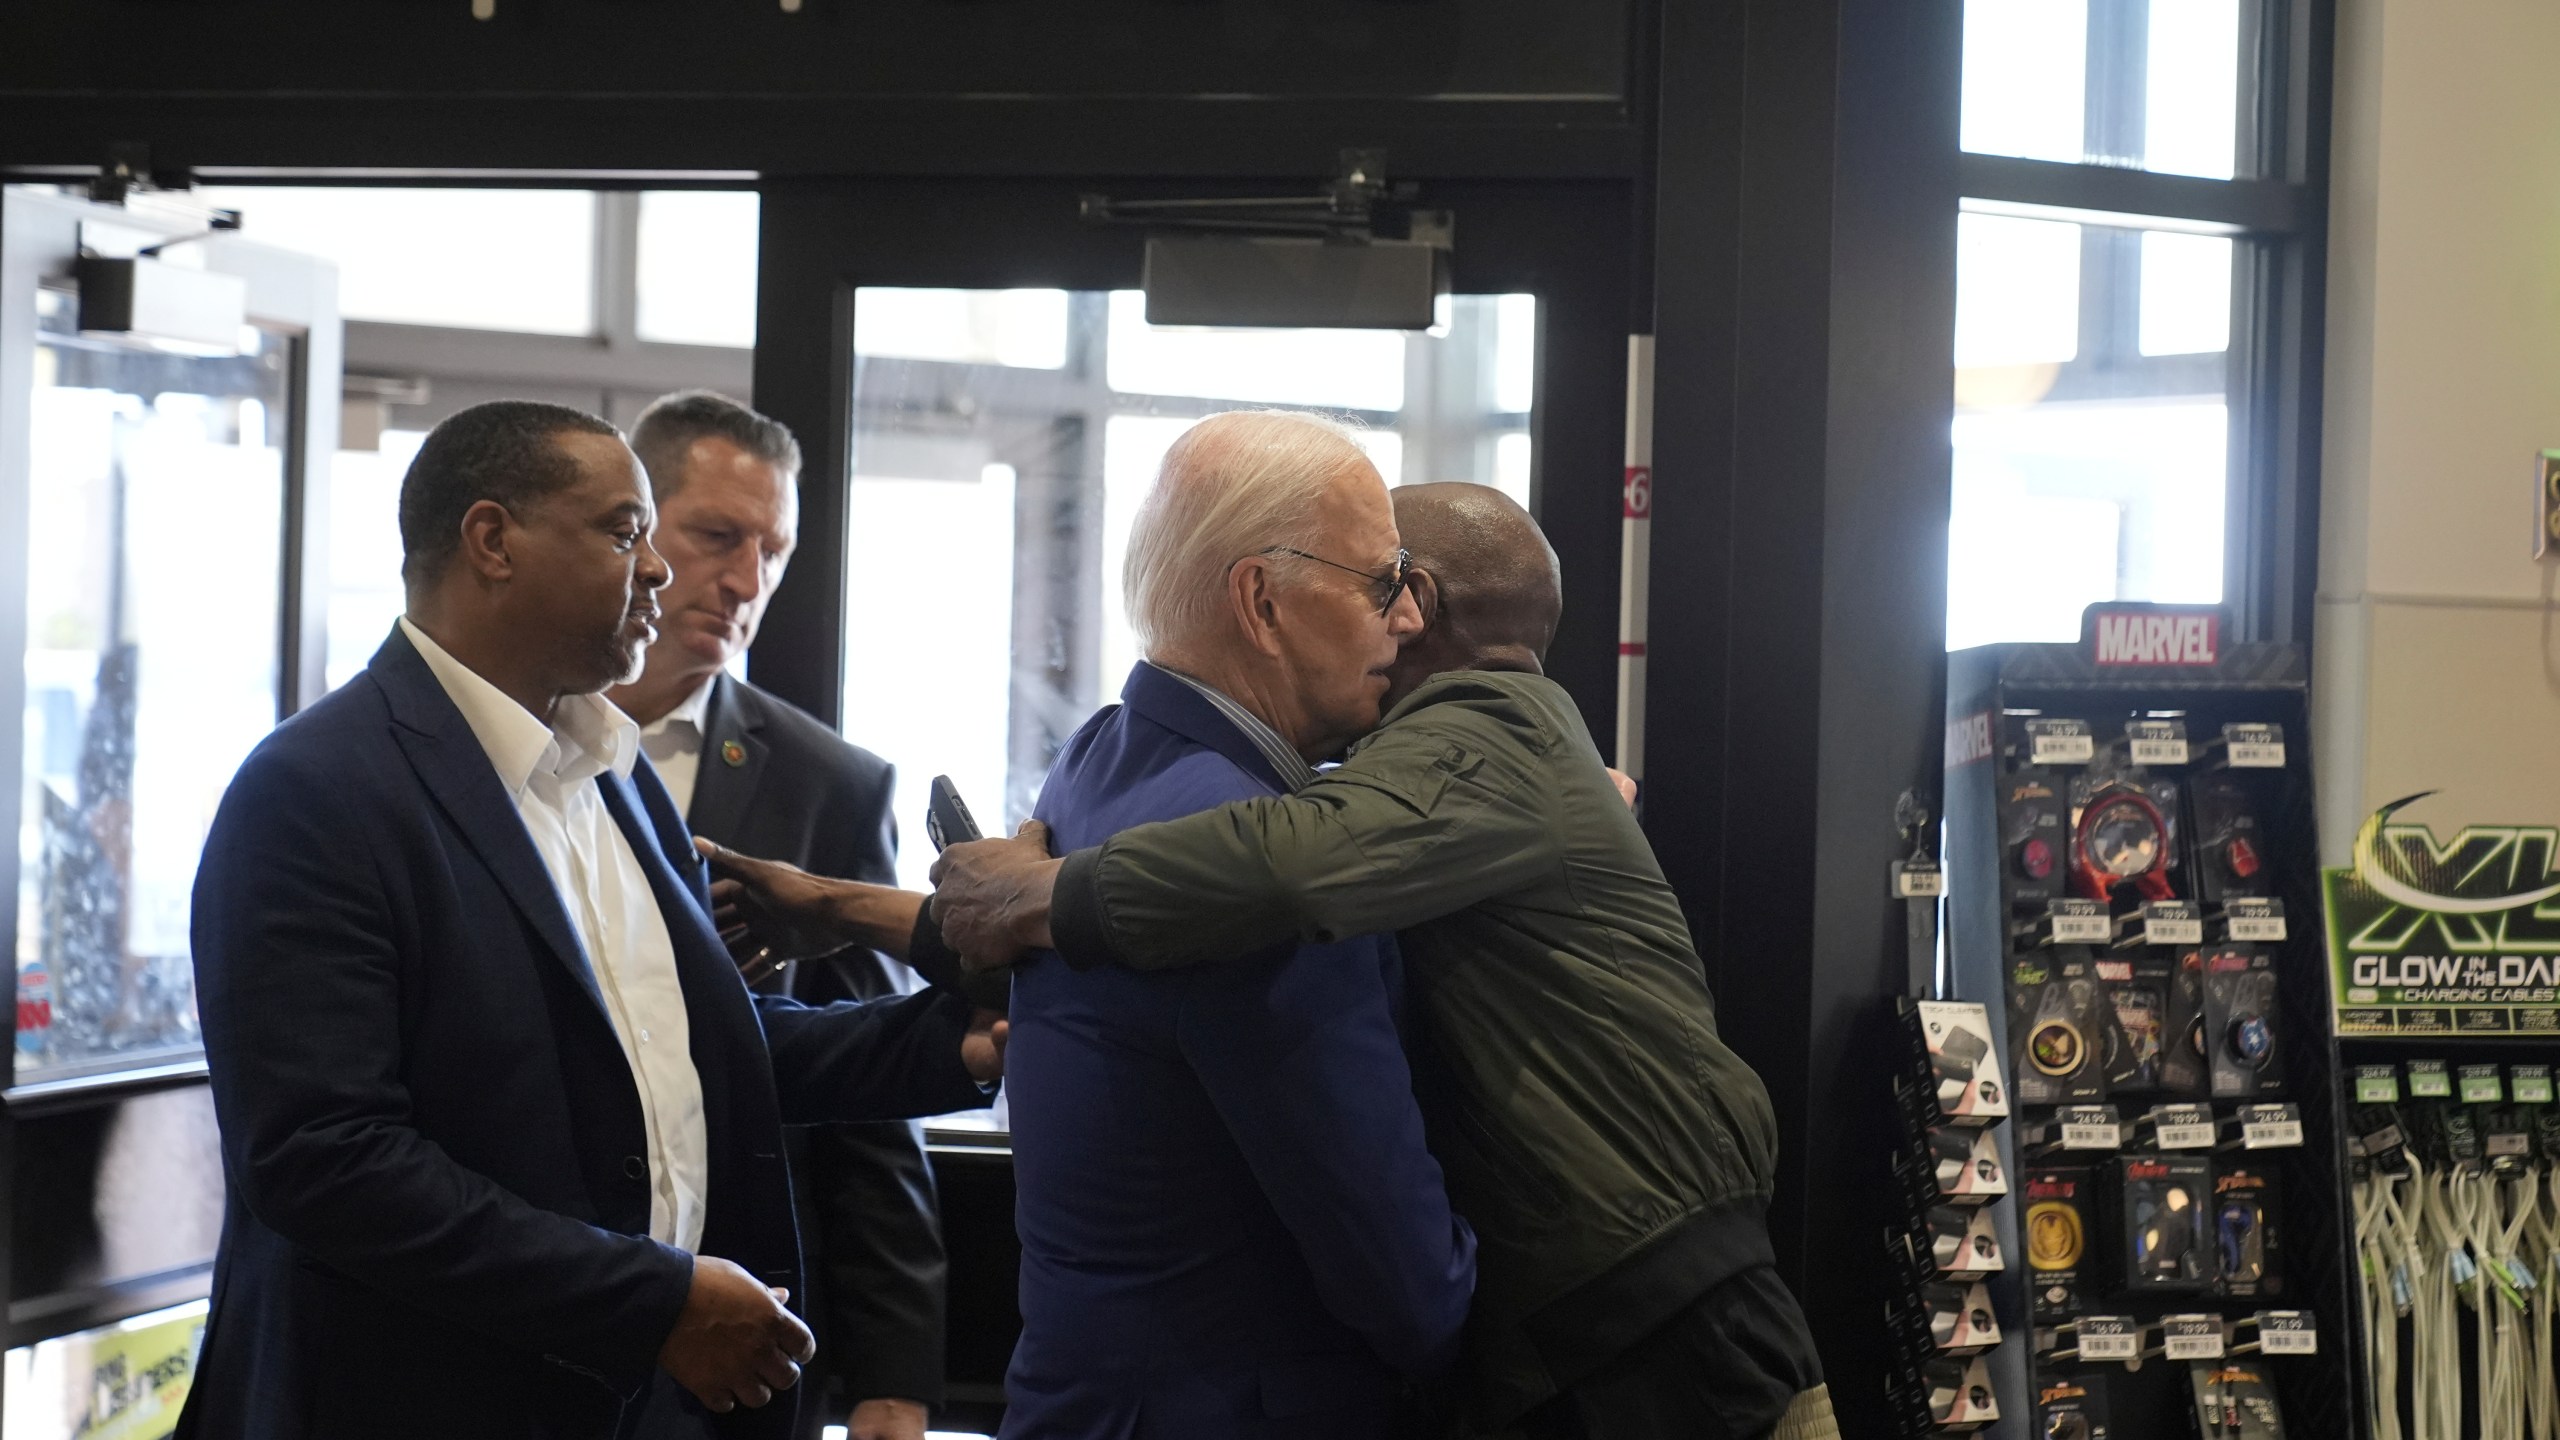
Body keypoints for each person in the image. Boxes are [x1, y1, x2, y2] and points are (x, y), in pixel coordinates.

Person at [180, 400, 1004, 1440]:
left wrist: (950, 1043)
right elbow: (327, 1162)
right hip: (421, 1400)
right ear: (492, 542)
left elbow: (689, 1049)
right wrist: (651, 1299)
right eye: (625, 533)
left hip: (645, 1401)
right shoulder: (313, 790)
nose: (657, 569)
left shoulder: (611, 775)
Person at [728, 410, 1477, 1438]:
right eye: (1381, 581)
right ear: (1260, 600)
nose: (1405, 621)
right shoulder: (1254, 855)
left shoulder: (1101, 752)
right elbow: (1396, 1270)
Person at [607, 391, 946, 1440]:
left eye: (774, 551)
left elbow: (866, 1094)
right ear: (635, 528)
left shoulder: (831, 783)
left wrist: (896, 1375)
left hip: (747, 1319)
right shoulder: (506, 746)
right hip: (541, 1294)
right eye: (716, 537)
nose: (748, 582)